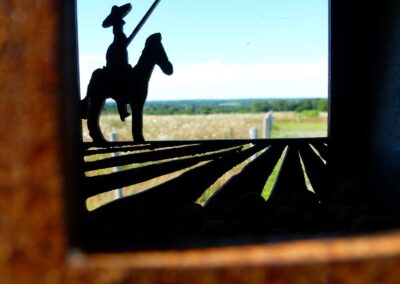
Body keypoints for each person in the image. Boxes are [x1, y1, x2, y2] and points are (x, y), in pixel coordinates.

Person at [102, 3, 136, 121]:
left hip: (119, 50)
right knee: (122, 76)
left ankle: (123, 107)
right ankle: (122, 108)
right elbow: (120, 38)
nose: (121, 24)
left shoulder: (119, 31)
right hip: (117, 52)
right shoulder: (118, 31)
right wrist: (125, 41)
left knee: (126, 72)